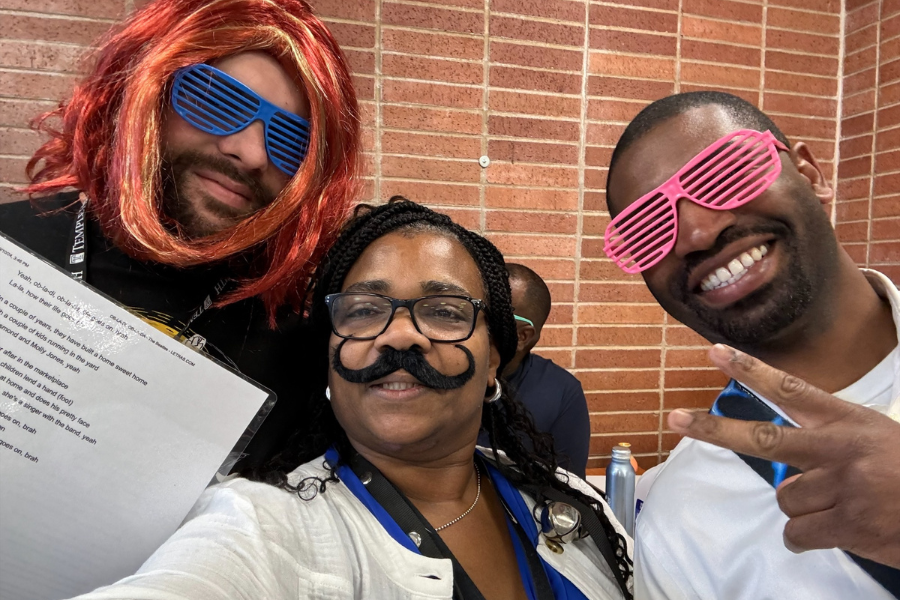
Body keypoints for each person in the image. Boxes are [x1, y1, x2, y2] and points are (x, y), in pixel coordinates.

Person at [69, 198, 634, 600]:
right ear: (331, 360)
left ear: (493, 363)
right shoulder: (263, 527)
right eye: (364, 310)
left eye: (443, 311)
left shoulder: (578, 506)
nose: (400, 334)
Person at [0, 0, 360, 474]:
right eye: (217, 100)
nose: (250, 153)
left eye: (291, 141)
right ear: (147, 92)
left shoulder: (294, 352)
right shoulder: (9, 246)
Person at [604, 90, 900, 598]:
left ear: (809, 175)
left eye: (726, 173)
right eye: (648, 227)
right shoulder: (684, 527)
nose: (695, 231)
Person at [504, 263, 590, 477]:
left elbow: (568, 491)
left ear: (522, 336)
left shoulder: (562, 393)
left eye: (490, 315)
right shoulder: (442, 378)